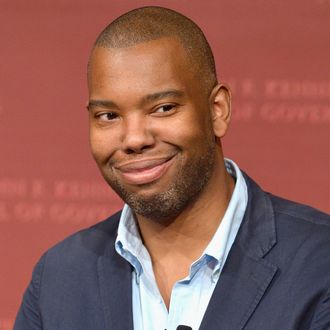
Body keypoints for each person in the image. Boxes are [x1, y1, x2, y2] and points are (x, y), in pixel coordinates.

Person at [15, 6, 330, 330]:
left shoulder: (320, 263)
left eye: (163, 108)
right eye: (109, 116)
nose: (134, 139)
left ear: (217, 110)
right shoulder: (59, 279)